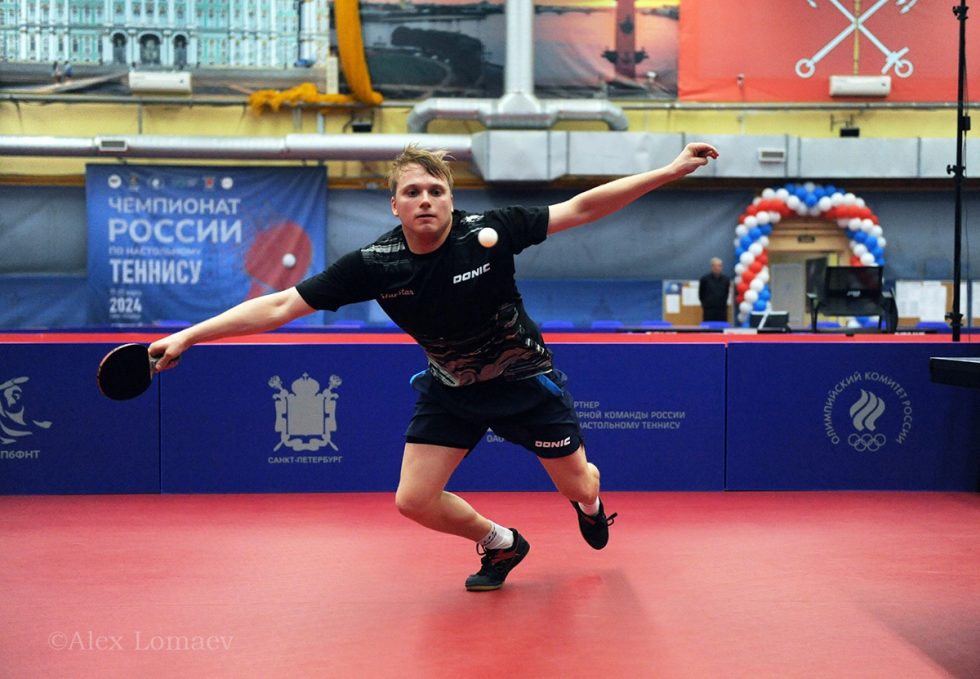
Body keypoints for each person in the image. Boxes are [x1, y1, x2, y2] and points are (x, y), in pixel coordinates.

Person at [148, 141, 720, 591]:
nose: (425, 199)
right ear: (395, 205)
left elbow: (582, 207)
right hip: (452, 390)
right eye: (412, 191)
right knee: (413, 500)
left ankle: (591, 506)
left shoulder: (490, 233)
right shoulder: (375, 264)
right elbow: (279, 305)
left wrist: (670, 171)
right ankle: (501, 542)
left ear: (450, 199)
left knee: (578, 482)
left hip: (524, 383)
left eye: (435, 190)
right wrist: (190, 335)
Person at [698, 257, 731, 323]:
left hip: (722, 310)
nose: (717, 268)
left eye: (719, 266)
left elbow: (726, 293)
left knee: (721, 327)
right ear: (712, 267)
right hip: (709, 310)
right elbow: (701, 294)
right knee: (709, 327)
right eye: (715, 266)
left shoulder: (726, 279)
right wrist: (706, 304)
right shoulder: (704, 279)